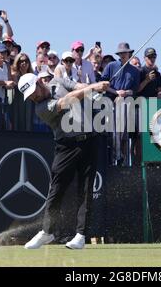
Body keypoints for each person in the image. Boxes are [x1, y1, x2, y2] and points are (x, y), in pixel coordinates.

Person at [18, 73, 109, 250]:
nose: (33, 98)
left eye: (33, 92)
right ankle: (47, 232)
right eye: (29, 97)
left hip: (89, 140)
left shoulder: (58, 81)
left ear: (38, 82)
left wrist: (94, 89)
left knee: (85, 189)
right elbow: (67, 100)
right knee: (56, 190)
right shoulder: (41, 108)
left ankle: (81, 236)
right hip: (66, 146)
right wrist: (93, 88)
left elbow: (77, 88)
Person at [10, 53, 34, 131]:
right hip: (17, 101)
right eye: (21, 61)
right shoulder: (14, 75)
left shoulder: (32, 75)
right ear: (17, 63)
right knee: (17, 122)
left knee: (28, 123)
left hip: (29, 102)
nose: (24, 63)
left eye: (26, 61)